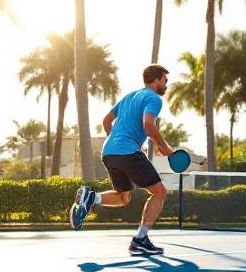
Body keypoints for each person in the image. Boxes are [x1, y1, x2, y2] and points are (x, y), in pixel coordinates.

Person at [70, 64, 177, 256]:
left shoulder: (129, 97)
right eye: (165, 80)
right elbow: (148, 124)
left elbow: (106, 121)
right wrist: (165, 148)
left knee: (124, 196)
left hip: (109, 152)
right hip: (126, 151)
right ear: (156, 80)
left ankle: (91, 198)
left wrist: (117, 142)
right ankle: (140, 240)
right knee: (159, 192)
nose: (166, 85)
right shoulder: (153, 98)